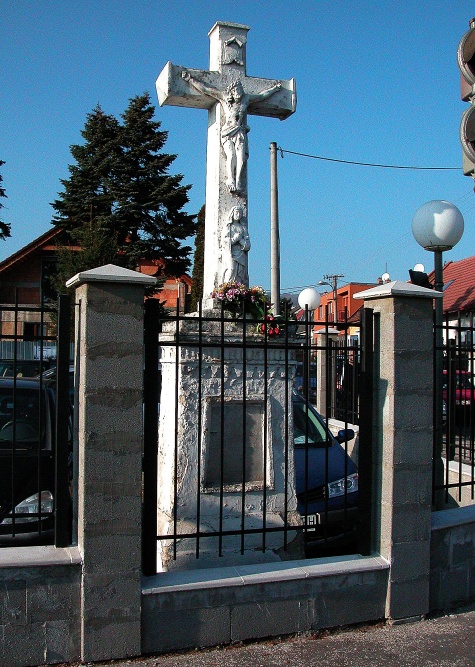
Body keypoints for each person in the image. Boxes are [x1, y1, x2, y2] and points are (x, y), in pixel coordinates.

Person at [182, 71, 281, 193]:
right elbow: (206, 89)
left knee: (241, 158)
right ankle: (230, 179)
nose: (239, 93)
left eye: (240, 90)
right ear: (232, 91)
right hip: (228, 132)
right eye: (236, 90)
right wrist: (190, 79)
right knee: (231, 155)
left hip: (240, 132)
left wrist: (275, 89)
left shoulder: (246, 99)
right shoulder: (224, 97)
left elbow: (262, 96)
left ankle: (238, 180)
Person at [221, 206, 250, 284]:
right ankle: (227, 287)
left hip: (240, 253)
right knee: (231, 269)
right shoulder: (228, 227)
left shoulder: (243, 228)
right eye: (236, 212)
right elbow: (224, 242)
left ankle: (238, 288)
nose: (238, 215)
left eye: (240, 213)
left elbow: (247, 245)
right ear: (232, 214)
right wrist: (235, 239)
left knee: (240, 272)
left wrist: (241, 241)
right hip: (230, 253)